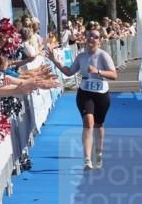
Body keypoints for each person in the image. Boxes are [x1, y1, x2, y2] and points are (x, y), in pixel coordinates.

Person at [47, 28, 117, 169]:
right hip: (85, 92)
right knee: (88, 123)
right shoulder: (81, 56)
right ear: (86, 38)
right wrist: (54, 60)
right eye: (90, 35)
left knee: (99, 125)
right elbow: (69, 71)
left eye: (95, 36)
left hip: (101, 93)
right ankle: (87, 159)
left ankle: (98, 153)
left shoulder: (103, 56)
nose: (92, 38)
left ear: (100, 40)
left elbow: (114, 75)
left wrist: (98, 71)